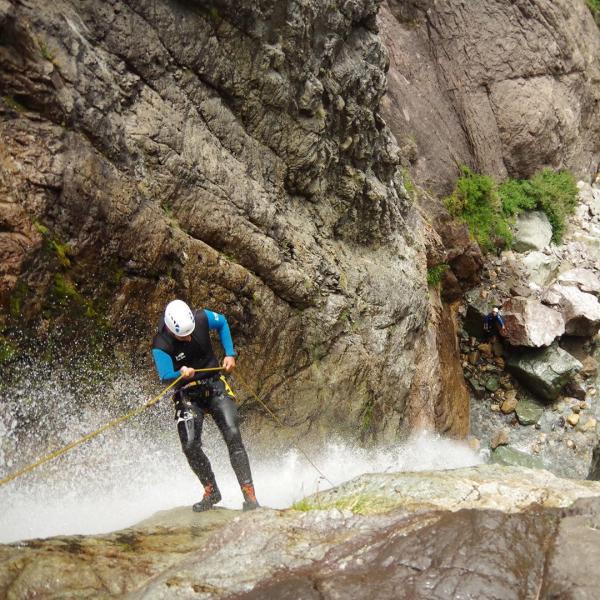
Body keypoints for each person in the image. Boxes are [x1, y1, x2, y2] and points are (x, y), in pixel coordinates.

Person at [151, 299, 259, 512]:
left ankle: (250, 496)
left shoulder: (201, 317)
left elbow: (223, 322)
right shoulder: (161, 344)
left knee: (233, 435)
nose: (189, 337)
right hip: (188, 392)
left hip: (214, 384)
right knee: (190, 445)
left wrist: (229, 353)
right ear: (172, 332)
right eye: (184, 336)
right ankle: (211, 490)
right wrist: (180, 373)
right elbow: (165, 376)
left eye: (190, 332)